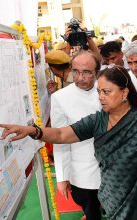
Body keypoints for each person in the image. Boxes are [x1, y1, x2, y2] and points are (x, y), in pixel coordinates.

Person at [0, 65, 137, 220]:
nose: (101, 97)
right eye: (99, 92)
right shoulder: (98, 120)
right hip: (112, 197)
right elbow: (62, 135)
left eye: (107, 92)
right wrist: (33, 130)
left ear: (124, 93)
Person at [52, 50, 102, 220]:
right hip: (82, 172)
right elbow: (60, 139)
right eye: (75, 71)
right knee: (91, 210)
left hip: (113, 169)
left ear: (97, 72)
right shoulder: (60, 98)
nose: (80, 78)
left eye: (87, 72)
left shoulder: (108, 91)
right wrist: (62, 176)